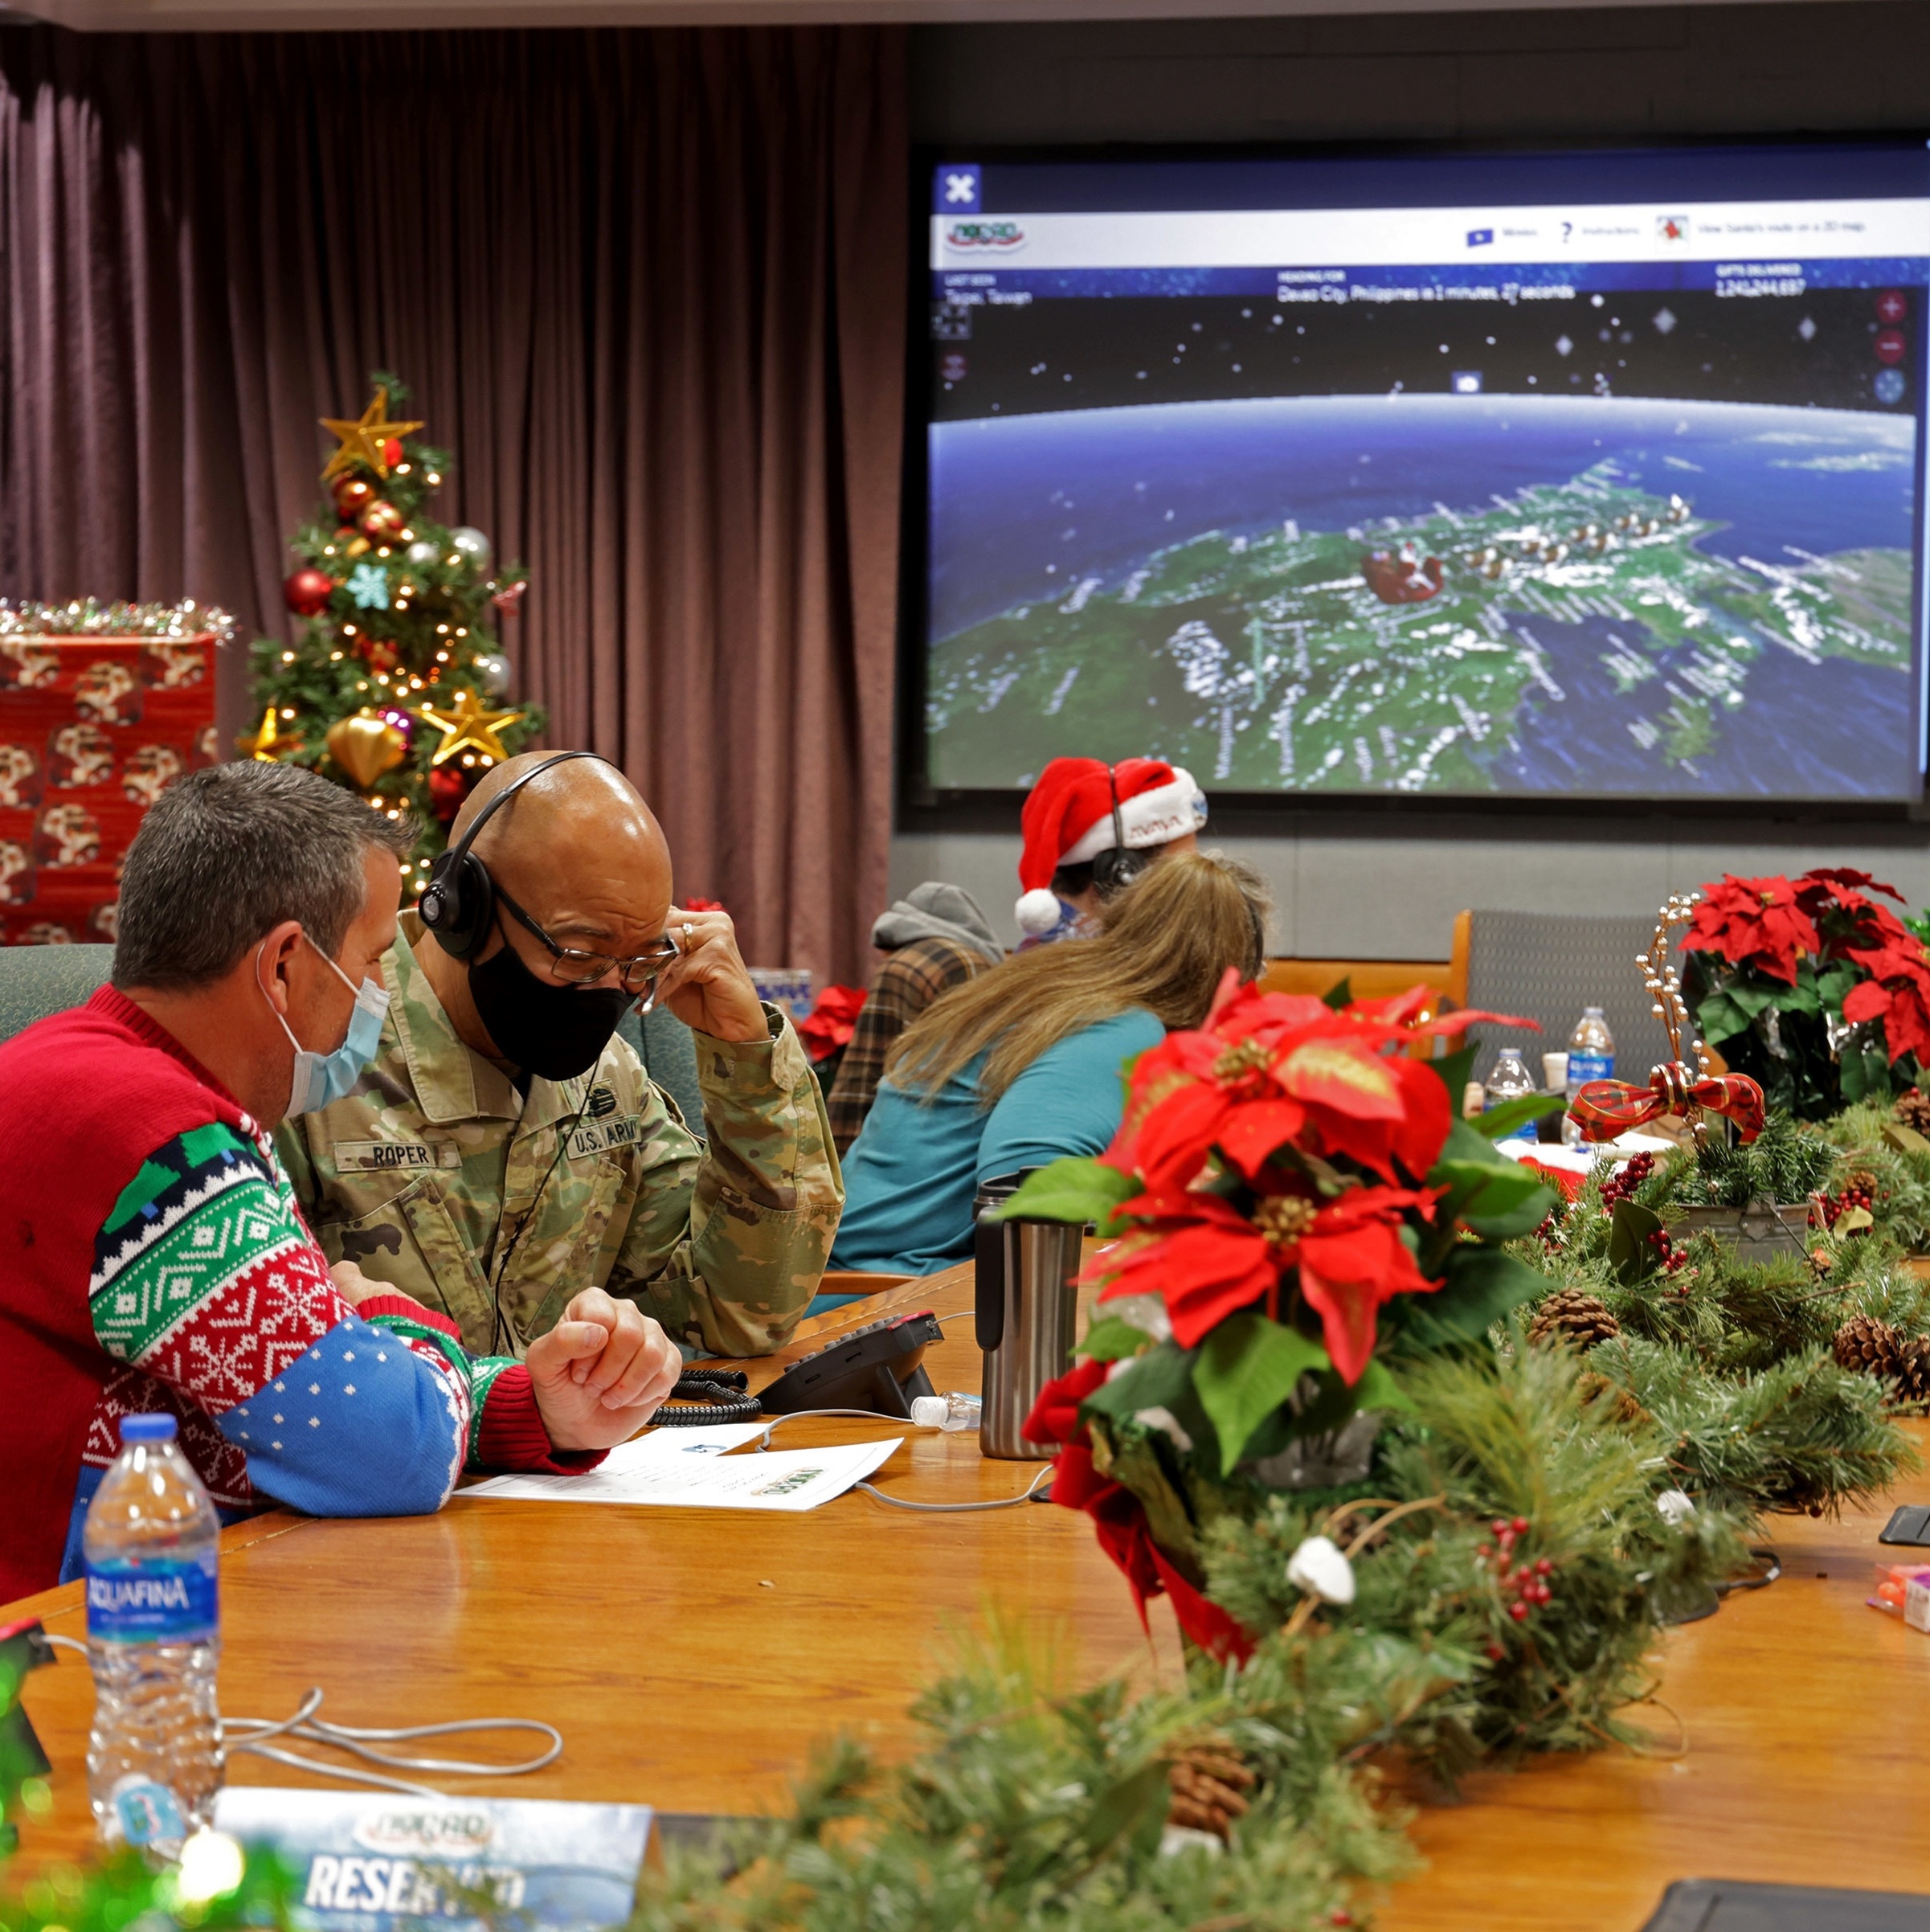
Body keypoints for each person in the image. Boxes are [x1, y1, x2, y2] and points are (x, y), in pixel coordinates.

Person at [0, 763, 678, 1601]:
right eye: (370, 962)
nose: (377, 998)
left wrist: (529, 1405)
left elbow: (311, 1386)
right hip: (62, 1669)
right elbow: (392, 1451)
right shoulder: (154, 1144)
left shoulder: (99, 1078)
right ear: (284, 964)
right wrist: (378, 1306)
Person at [277, 750, 841, 1360]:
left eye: (637, 962)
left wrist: (748, 1056)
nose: (608, 988)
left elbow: (739, 1313)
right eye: (579, 955)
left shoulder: (608, 1079)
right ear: (465, 908)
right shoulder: (322, 1058)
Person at [829, 850, 1270, 1279]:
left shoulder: (1050, 980)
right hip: (888, 1291)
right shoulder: (1118, 1022)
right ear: (1230, 974)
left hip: (850, 1277)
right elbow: (1029, 1195)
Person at [825, 882, 1004, 1156]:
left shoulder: (903, 966)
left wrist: (835, 1159)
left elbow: (863, 1075)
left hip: (906, 1148)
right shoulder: (992, 970)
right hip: (979, 1142)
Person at [1014, 756, 1208, 949]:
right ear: (1120, 876)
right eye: (1182, 871)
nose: (1193, 887)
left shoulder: (1072, 952)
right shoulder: (1071, 971)